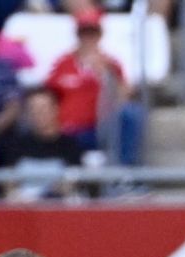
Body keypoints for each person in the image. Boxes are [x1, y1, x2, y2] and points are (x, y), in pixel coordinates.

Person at [44, 7, 128, 155]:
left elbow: (123, 96)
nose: (88, 38)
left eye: (93, 33)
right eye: (84, 33)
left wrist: (104, 74)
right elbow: (48, 94)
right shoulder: (63, 63)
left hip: (97, 127)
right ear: (77, 34)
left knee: (128, 118)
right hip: (65, 129)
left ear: (100, 35)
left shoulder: (110, 64)